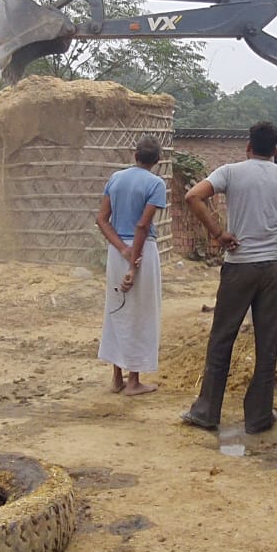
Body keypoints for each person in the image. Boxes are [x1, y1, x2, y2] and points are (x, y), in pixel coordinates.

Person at [180, 121, 277, 434]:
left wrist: (219, 233)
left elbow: (193, 197)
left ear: (248, 146)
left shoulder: (230, 172)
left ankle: (207, 412)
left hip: (239, 266)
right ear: (275, 151)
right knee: (267, 342)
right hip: (275, 269)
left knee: (223, 338)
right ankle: (259, 417)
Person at [94, 136, 167, 396]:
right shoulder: (156, 184)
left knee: (117, 308)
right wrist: (134, 263)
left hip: (117, 252)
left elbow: (102, 219)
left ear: (135, 155)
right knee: (140, 311)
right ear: (157, 161)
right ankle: (134, 380)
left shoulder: (115, 179)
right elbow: (142, 225)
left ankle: (116, 377)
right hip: (142, 251)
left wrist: (122, 250)